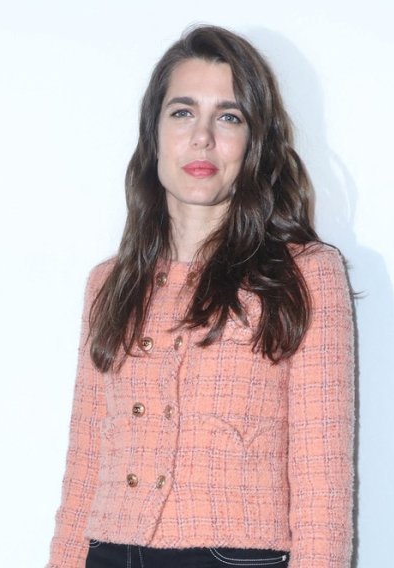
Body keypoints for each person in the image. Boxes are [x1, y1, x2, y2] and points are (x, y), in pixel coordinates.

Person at [47, 25, 354, 568]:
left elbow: (322, 486)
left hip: (233, 556)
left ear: (254, 142)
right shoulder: (108, 283)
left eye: (229, 117)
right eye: (183, 112)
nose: (203, 137)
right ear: (154, 133)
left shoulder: (305, 274)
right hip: (109, 551)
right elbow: (85, 465)